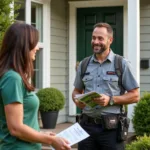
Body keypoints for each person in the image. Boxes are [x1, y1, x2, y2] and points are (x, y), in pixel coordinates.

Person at [0, 22, 71, 150]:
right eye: (34, 43)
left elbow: (24, 122)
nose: (37, 48)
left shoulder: (15, 76)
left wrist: (41, 134)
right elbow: (16, 128)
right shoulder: (12, 78)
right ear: (23, 46)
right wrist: (51, 140)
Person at [72, 22, 140, 150]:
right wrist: (77, 100)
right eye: (93, 38)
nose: (95, 41)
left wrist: (111, 100)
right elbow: (76, 91)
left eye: (100, 38)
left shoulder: (122, 64)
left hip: (111, 129)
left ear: (110, 40)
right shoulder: (84, 64)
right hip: (86, 127)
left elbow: (135, 95)